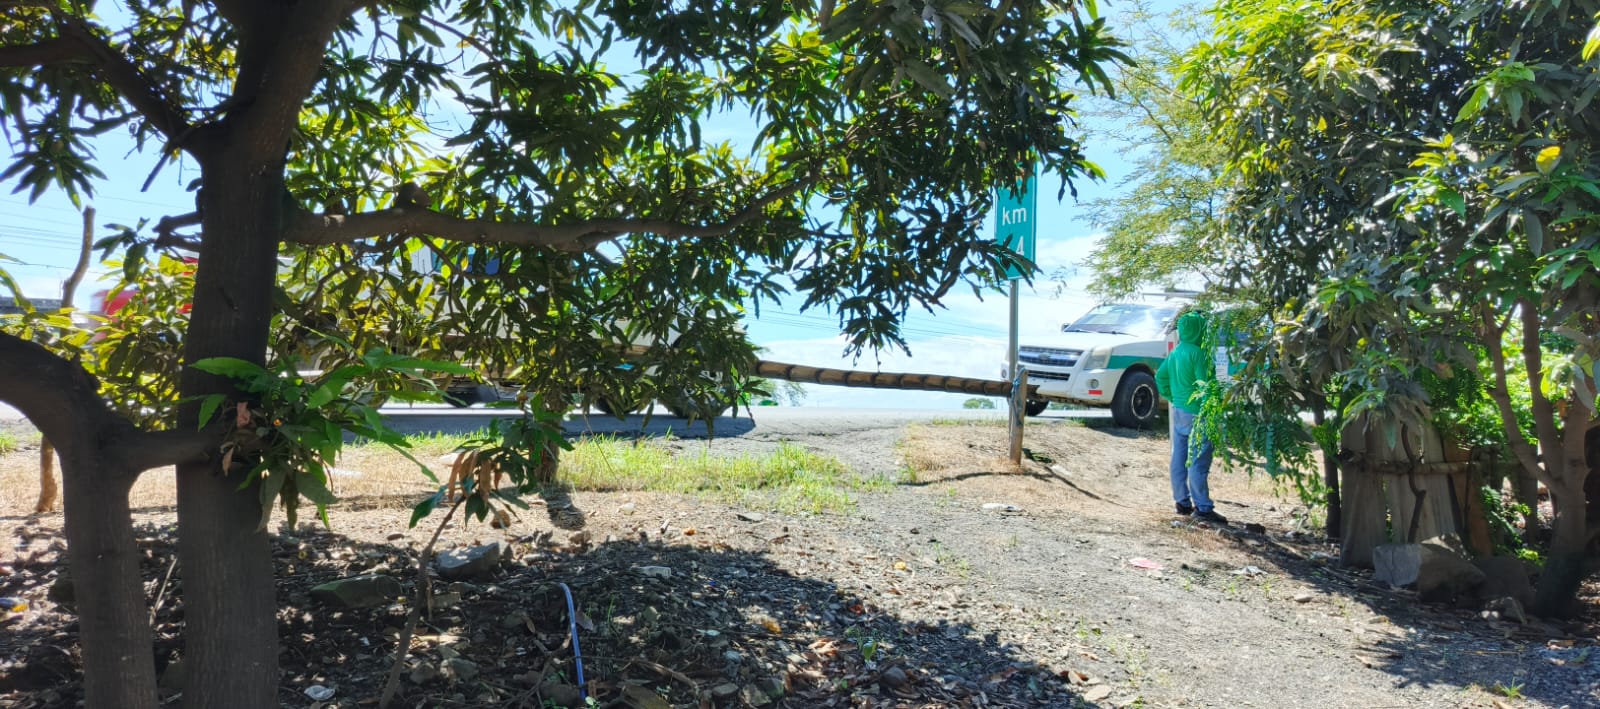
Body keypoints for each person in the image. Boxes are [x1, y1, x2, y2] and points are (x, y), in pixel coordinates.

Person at [1155, 311, 1227, 525]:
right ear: (1199, 330)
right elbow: (1205, 385)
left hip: (1179, 411)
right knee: (1198, 460)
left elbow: (1160, 377)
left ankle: (1182, 502)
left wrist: (1173, 397)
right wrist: (1213, 409)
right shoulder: (1199, 353)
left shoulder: (1176, 352)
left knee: (1179, 457)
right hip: (1199, 413)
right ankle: (1203, 508)